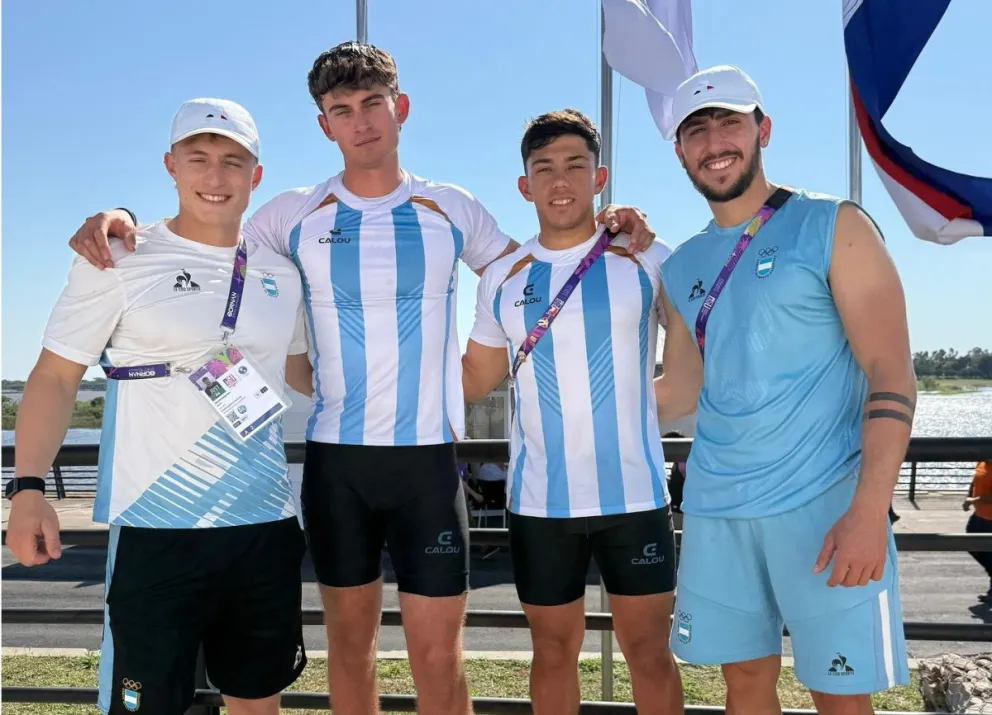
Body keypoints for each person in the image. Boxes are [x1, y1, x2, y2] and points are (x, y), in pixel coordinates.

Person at [64, 42, 657, 715]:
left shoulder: (450, 207)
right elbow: (203, 230)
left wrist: (611, 224)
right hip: (337, 467)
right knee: (350, 653)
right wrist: (121, 221)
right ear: (325, 125)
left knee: (439, 658)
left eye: (373, 103)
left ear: (400, 108)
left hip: (427, 466)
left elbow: (537, 267)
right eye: (342, 110)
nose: (361, 121)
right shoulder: (293, 213)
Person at [5, 99, 313, 715]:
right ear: (170, 166)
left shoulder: (281, 272)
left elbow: (304, 373)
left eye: (233, 162)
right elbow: (56, 377)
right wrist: (28, 488)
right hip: (155, 530)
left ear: (256, 175)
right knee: (144, 708)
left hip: (264, 527)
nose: (215, 176)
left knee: (258, 700)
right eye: (198, 159)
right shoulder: (115, 258)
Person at [653, 65, 915, 715]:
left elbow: (890, 371)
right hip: (718, 508)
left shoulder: (835, 224)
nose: (715, 141)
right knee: (743, 681)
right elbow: (679, 393)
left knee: (839, 694)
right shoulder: (681, 265)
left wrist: (869, 512)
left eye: (730, 122)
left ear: (762, 130)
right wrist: (568, 411)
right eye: (696, 129)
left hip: (825, 506)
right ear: (679, 150)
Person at [461, 109, 683, 715]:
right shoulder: (502, 277)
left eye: (574, 166)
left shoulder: (647, 255)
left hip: (634, 498)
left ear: (599, 177)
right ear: (524, 185)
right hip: (541, 503)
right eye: (544, 169)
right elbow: (474, 378)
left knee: (649, 653)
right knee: (552, 653)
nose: (560, 181)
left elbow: (697, 357)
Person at [964, 460, 992, 601]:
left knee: (988, 553)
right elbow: (974, 481)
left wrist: (973, 500)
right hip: (979, 515)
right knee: (970, 544)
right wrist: (967, 497)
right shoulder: (981, 462)